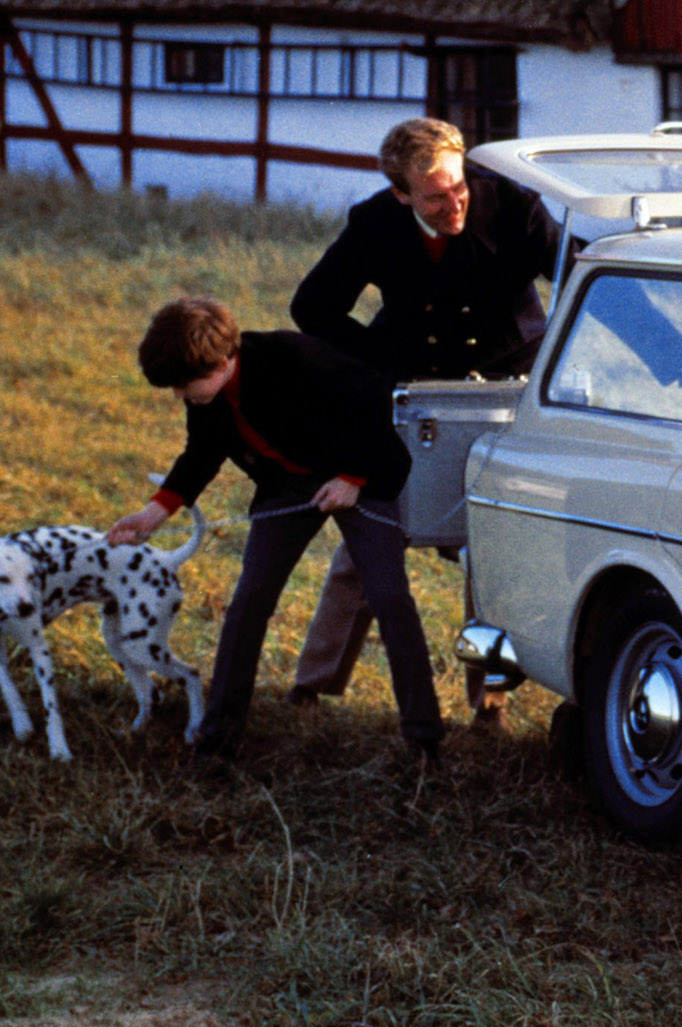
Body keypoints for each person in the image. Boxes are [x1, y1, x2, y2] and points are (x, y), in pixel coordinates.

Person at [285, 117, 559, 712]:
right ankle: (311, 684)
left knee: (489, 545)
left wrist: (681, 368)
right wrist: (380, 362)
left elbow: (589, 276)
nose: (454, 204)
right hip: (417, 389)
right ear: (400, 193)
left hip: (506, 384)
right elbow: (311, 306)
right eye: (435, 197)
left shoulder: (513, 204)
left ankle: (488, 698)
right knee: (371, 527)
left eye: (459, 189)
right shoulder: (374, 223)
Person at [105, 297, 444, 761]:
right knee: (249, 601)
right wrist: (154, 513)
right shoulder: (206, 393)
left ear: (225, 360)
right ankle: (218, 736)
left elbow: (374, 404)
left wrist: (353, 479)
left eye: (186, 385)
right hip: (286, 487)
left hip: (361, 476)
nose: (181, 396)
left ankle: (424, 737)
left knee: (388, 595)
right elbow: (201, 451)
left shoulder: (295, 357)